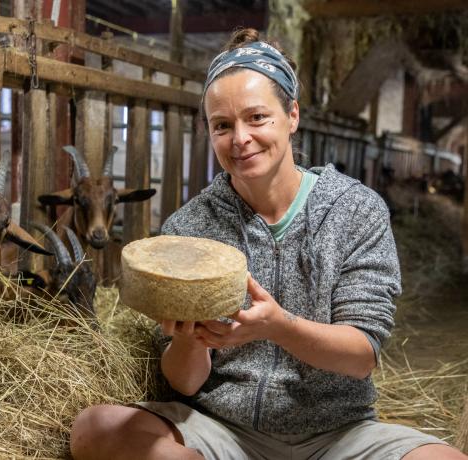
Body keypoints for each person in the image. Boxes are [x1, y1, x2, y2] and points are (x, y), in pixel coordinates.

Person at [69, 29, 468, 460]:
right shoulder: (190, 227)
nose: (240, 138)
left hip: (337, 434)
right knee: (95, 429)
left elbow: (361, 357)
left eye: (257, 117)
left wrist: (279, 326)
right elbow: (184, 383)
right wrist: (189, 340)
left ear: (292, 115)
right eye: (223, 125)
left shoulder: (355, 210)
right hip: (221, 429)